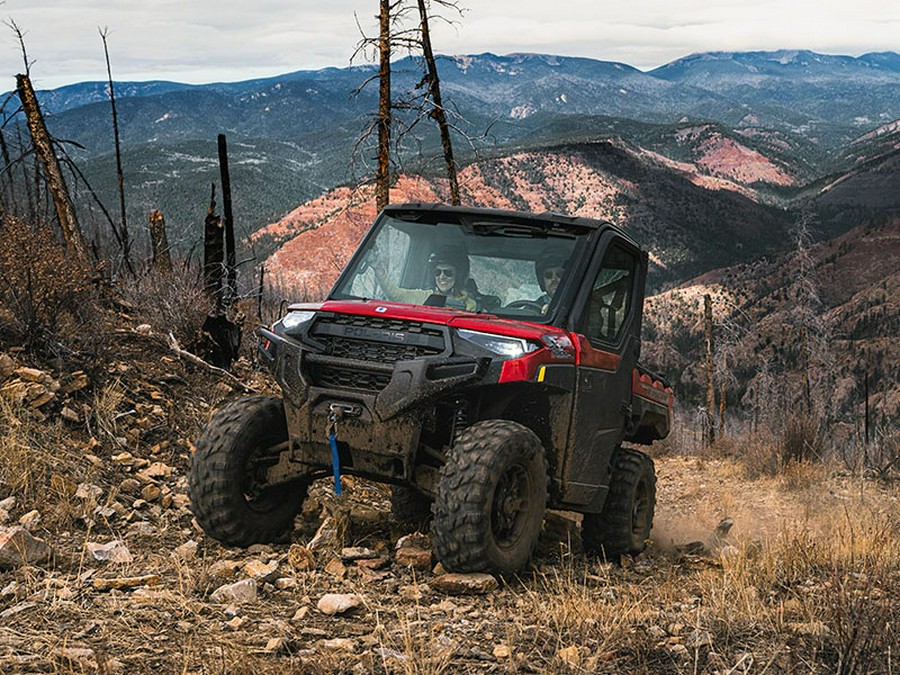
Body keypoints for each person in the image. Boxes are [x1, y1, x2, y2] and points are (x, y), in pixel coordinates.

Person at [373, 243, 478, 311]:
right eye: (437, 272)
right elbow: (396, 295)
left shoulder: (470, 305)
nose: (441, 277)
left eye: (448, 273)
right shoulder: (425, 296)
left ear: (458, 275)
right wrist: (379, 270)